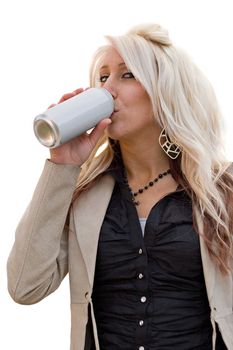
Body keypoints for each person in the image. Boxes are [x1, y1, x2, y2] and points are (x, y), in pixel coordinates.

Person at [7, 23, 233, 350]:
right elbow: (24, 287)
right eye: (102, 77)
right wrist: (62, 166)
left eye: (127, 75)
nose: (108, 89)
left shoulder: (220, 188)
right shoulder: (84, 193)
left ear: (164, 90)